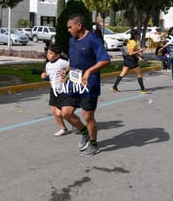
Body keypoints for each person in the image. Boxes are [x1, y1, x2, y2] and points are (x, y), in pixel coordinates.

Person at [60, 13, 110, 157]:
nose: (68, 30)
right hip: (74, 80)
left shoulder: (93, 39)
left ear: (79, 26)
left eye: (70, 27)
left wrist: (89, 71)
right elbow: (73, 60)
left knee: (88, 116)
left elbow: (105, 60)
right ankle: (84, 133)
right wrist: (67, 71)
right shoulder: (72, 41)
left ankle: (94, 145)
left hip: (90, 82)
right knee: (66, 113)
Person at [41, 44, 72, 137]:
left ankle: (75, 124)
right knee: (54, 111)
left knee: (61, 112)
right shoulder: (48, 64)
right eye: (48, 53)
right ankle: (63, 129)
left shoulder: (62, 62)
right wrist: (44, 74)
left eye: (51, 53)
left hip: (63, 90)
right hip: (53, 90)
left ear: (57, 55)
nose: (48, 55)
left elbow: (72, 66)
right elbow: (49, 73)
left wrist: (66, 75)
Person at [110, 29, 150, 94]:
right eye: (137, 35)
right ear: (135, 35)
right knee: (139, 74)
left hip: (127, 59)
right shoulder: (133, 42)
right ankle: (143, 90)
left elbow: (131, 52)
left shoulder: (130, 41)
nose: (138, 36)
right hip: (131, 60)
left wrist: (140, 55)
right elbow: (131, 53)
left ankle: (114, 87)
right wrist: (140, 50)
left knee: (123, 73)